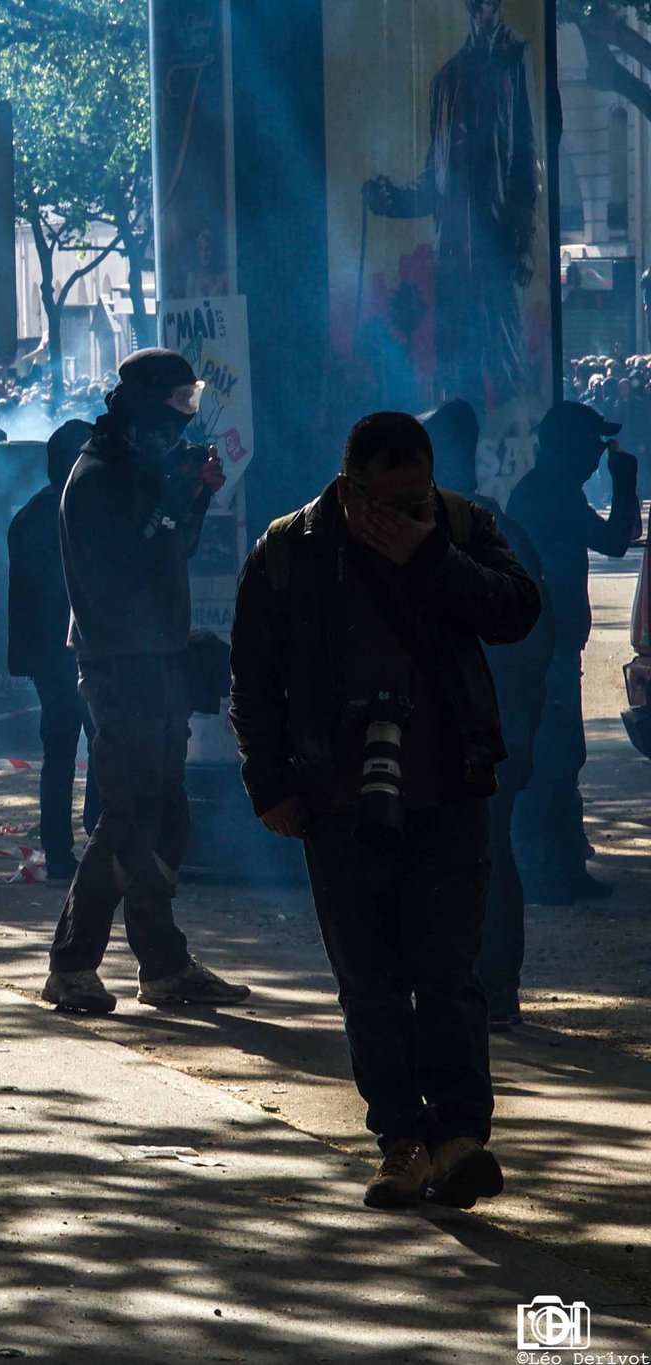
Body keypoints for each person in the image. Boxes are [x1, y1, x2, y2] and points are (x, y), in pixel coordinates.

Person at [233, 411, 538, 1208]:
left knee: (448, 973)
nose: (407, 513)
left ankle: (460, 1135)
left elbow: (516, 610)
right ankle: (400, 1140)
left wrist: (431, 553)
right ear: (349, 486)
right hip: (336, 797)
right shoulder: (289, 549)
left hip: (449, 787)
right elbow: (254, 677)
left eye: (418, 497)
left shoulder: (461, 526)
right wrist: (270, 785)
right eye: (389, 502)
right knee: (369, 982)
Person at [40, 349, 248, 1014]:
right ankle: (71, 966)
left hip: (156, 661)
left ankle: (163, 965)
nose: (184, 420)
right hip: (119, 666)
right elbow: (122, 574)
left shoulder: (134, 471)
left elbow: (172, 552)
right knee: (128, 817)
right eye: (178, 404)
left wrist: (192, 501)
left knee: (166, 814)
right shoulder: (98, 476)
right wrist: (165, 501)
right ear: (143, 406)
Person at [422, 400, 553, 1029]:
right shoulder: (472, 527)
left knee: (486, 854)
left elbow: (530, 636)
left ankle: (492, 989)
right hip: (468, 728)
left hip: (484, 729)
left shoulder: (475, 531)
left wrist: (515, 722)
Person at [363, 0, 541, 405]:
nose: (486, 10)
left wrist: (523, 245)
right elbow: (434, 182)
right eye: (479, 3)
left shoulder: (515, 58)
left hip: (496, 254)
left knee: (506, 372)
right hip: (454, 261)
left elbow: (526, 158)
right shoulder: (445, 81)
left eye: (492, 2)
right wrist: (391, 198)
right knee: (458, 383)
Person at [508, 401, 641, 902]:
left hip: (554, 646)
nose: (596, 454)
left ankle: (559, 863)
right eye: (590, 443)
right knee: (555, 756)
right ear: (566, 447)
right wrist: (625, 481)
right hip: (546, 649)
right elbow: (613, 542)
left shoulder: (551, 490)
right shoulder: (548, 494)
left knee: (561, 754)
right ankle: (550, 868)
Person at [8, 418, 102, 881]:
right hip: (79, 651)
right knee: (101, 741)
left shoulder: (29, 515)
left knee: (61, 752)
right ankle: (97, 835)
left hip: (51, 657)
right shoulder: (76, 512)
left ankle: (60, 851)